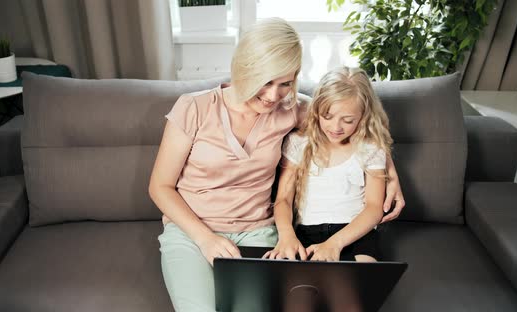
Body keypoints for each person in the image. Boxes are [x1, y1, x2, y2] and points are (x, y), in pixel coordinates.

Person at [148, 19, 405, 312]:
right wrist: (205, 239)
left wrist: (391, 174)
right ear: (245, 68)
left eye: (285, 83)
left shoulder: (292, 110)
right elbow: (160, 187)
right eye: (266, 81)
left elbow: (355, 122)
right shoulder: (193, 108)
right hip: (191, 232)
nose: (273, 96)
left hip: (257, 231)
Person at [264, 66, 392, 262]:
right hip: (307, 233)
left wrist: (335, 243)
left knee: (363, 279)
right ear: (316, 111)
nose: (336, 127)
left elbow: (374, 207)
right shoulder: (299, 143)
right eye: (328, 116)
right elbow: (283, 200)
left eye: (348, 120)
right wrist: (287, 235)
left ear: (364, 116)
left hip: (356, 233)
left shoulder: (370, 148)